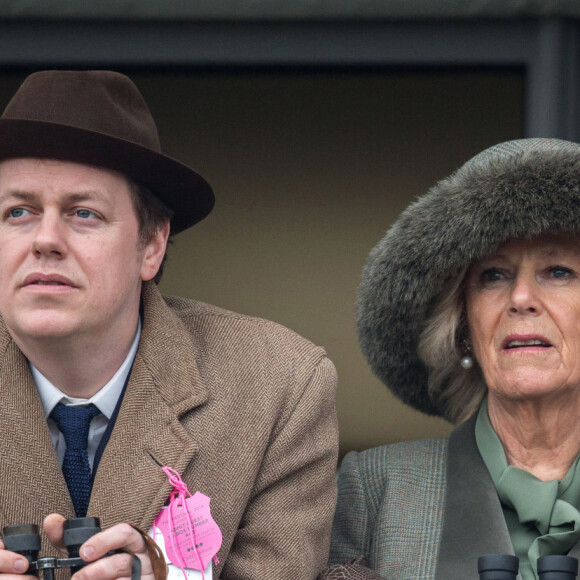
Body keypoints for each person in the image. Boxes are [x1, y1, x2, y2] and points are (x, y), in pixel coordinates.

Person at [0, 70, 338, 580]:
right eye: (18, 211)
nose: (46, 239)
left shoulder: (277, 387)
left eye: (84, 213)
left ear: (152, 244)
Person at [322, 138, 580, 579]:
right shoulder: (375, 488)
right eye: (493, 276)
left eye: (558, 272)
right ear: (462, 327)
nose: (520, 298)